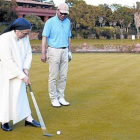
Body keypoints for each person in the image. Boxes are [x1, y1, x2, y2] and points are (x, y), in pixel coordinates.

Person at [0, 18, 41, 132]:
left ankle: (28, 118)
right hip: (6, 72)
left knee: (21, 95)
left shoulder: (25, 37)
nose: (26, 35)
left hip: (21, 71)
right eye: (24, 33)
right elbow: (7, 60)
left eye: (27, 33)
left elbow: (28, 53)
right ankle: (4, 121)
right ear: (17, 30)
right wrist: (22, 75)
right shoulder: (4, 39)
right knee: (6, 95)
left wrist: (25, 68)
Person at [41, 3, 72, 107]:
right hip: (53, 50)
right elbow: (44, 37)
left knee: (63, 76)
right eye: (62, 13)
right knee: (53, 76)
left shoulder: (68, 22)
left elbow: (69, 37)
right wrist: (43, 53)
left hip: (65, 50)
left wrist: (69, 51)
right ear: (57, 10)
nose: (63, 15)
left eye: (65, 14)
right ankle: (53, 98)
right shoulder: (50, 22)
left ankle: (61, 97)